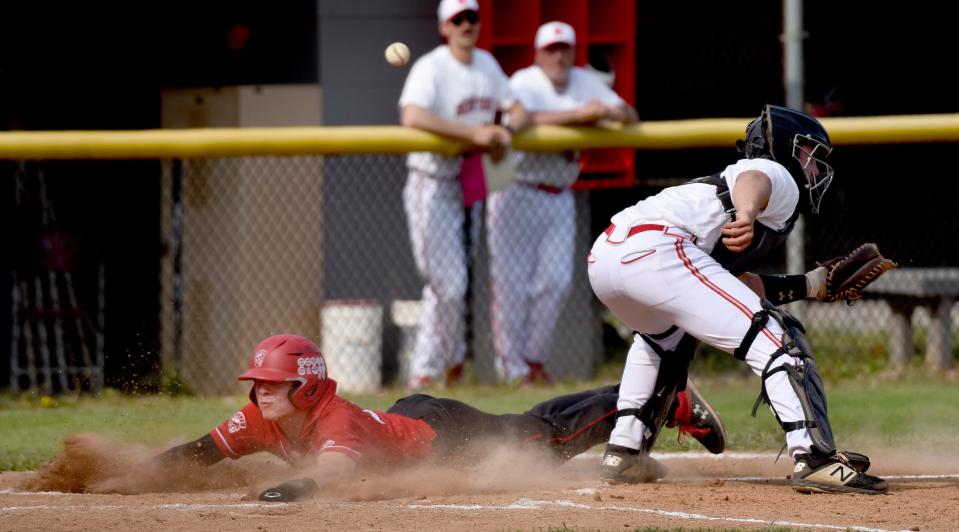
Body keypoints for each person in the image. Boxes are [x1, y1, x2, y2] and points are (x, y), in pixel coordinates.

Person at [587, 104, 889, 494]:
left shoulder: (711, 201)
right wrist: (747, 212)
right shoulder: (775, 175)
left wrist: (812, 285)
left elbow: (732, 287)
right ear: (781, 146)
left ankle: (625, 451)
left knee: (665, 343)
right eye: (808, 155)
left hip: (609, 256)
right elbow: (757, 178)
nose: (814, 169)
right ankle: (814, 458)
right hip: (659, 249)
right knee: (778, 340)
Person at [153, 333, 726, 501]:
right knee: (530, 423)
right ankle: (642, 391)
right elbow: (198, 452)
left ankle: (667, 397)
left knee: (544, 440)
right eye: (258, 384)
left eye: (276, 383)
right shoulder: (260, 418)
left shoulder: (335, 421)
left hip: (444, 436)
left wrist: (297, 487)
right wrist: (139, 473)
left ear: (308, 387)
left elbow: (334, 472)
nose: (262, 394)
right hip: (413, 418)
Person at [486, 21, 638, 384]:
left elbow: (630, 116)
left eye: (565, 48)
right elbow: (518, 121)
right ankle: (512, 370)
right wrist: (579, 115)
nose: (559, 55)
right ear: (539, 54)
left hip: (559, 194)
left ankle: (533, 362)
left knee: (556, 283)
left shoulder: (584, 81)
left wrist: (613, 112)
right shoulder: (525, 81)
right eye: (552, 49)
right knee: (511, 285)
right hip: (517, 190)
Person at [398, 0, 530, 391]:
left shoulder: (486, 65)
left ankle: (440, 367)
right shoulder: (431, 66)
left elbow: (518, 110)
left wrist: (505, 128)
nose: (467, 24)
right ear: (444, 27)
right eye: (458, 19)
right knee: (447, 284)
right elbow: (412, 116)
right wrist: (475, 134)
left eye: (472, 17)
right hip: (431, 181)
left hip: (467, 181)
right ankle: (432, 366)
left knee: (451, 283)